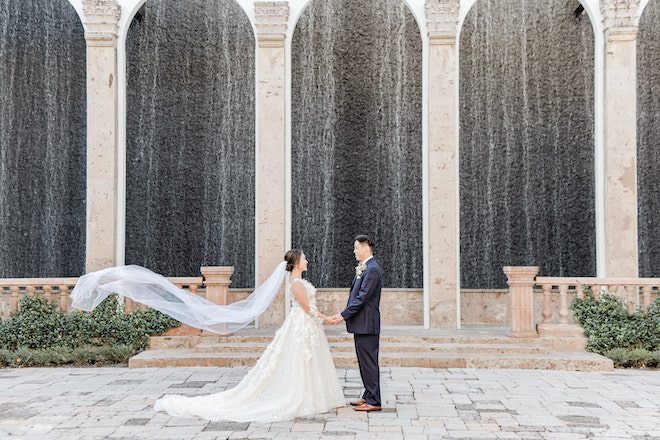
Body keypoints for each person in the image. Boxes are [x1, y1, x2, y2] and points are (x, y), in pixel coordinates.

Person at [154, 249, 345, 422]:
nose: (307, 261)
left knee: (306, 360)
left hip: (304, 326)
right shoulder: (296, 284)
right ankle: (303, 397)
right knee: (301, 360)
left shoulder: (297, 282)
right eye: (305, 259)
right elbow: (307, 307)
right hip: (302, 325)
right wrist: (327, 319)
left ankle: (312, 395)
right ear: (296, 263)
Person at [330, 235, 382, 412]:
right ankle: (368, 395)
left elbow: (362, 298)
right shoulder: (365, 268)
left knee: (369, 362)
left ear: (366, 247)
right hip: (362, 324)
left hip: (367, 324)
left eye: (356, 248)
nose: (354, 251)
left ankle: (374, 400)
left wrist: (343, 315)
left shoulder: (372, 269)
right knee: (364, 361)